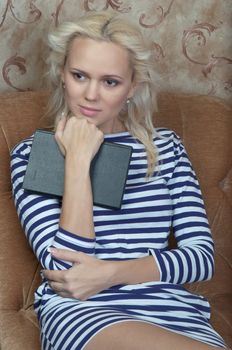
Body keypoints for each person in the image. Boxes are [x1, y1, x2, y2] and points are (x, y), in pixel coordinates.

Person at [10, 10, 229, 350]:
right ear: (62, 76)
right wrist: (78, 161)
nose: (91, 95)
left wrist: (112, 272)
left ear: (132, 87)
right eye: (79, 75)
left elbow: (200, 259)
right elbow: (67, 270)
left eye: (110, 81)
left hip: (172, 313)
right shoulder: (31, 154)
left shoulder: (166, 149)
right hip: (84, 312)